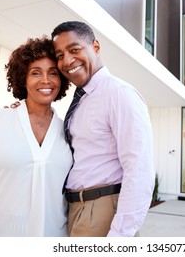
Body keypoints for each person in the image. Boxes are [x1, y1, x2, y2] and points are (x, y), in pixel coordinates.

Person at [0, 37, 72, 237]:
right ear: (22, 78)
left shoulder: (69, 131)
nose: (46, 80)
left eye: (53, 73)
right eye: (35, 73)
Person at [51, 21, 155, 237]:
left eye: (74, 49)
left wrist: (119, 237)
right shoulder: (83, 98)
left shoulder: (119, 94)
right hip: (76, 210)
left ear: (95, 47)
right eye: (60, 55)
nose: (67, 60)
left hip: (101, 211)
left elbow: (139, 170)